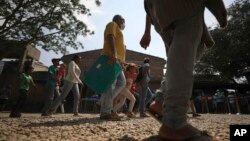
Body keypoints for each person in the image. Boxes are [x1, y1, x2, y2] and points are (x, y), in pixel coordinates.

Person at [140, 0, 227, 140]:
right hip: (183, 5)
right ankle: (175, 122)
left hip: (156, 9)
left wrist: (147, 32)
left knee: (190, 47)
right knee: (188, 32)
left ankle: (161, 102)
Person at [99, 15, 127, 120]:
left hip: (117, 61)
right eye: (123, 20)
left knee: (121, 82)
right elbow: (110, 37)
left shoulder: (119, 30)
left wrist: (122, 62)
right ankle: (106, 112)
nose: (124, 23)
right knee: (111, 84)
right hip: (111, 58)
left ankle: (104, 102)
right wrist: (114, 54)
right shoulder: (112, 24)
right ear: (117, 20)